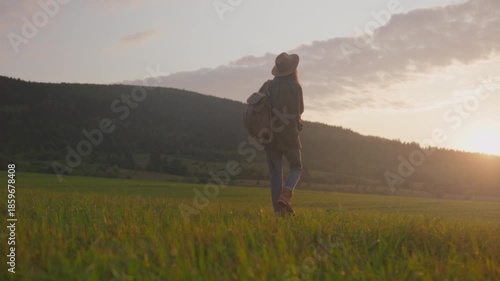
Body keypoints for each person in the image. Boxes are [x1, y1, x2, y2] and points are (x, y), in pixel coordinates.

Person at [259, 52, 304, 214]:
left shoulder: (267, 86)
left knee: (275, 176)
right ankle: (286, 194)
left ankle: (279, 213)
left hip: (270, 136)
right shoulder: (295, 87)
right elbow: (301, 110)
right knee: (297, 167)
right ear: (292, 70)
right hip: (290, 136)